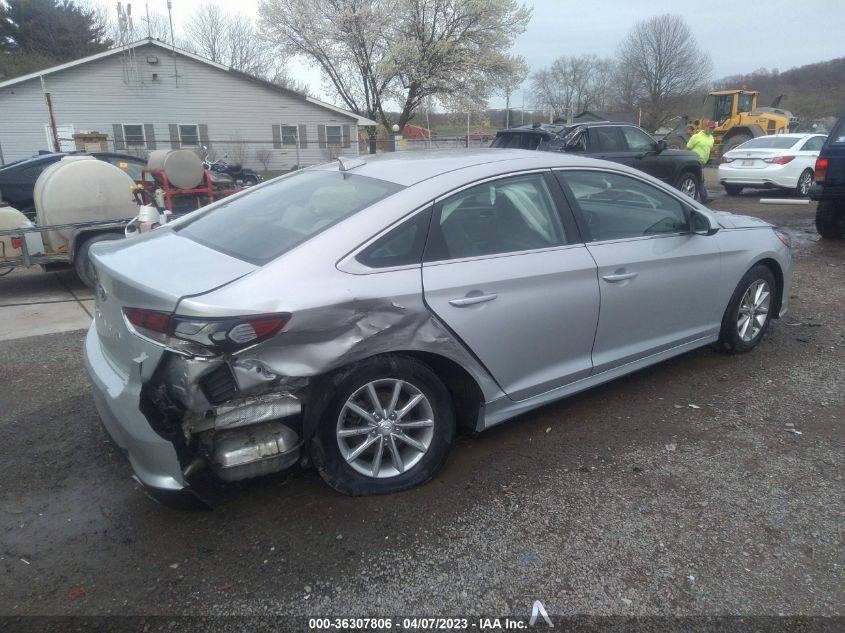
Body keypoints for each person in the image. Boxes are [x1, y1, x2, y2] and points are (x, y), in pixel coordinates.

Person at [686, 120, 716, 204]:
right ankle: (703, 199)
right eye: (711, 128)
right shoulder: (696, 136)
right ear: (706, 127)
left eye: (713, 128)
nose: (712, 130)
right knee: (699, 179)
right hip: (694, 161)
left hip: (702, 163)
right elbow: (688, 148)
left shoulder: (711, 138)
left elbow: (709, 150)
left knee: (698, 179)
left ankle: (699, 198)